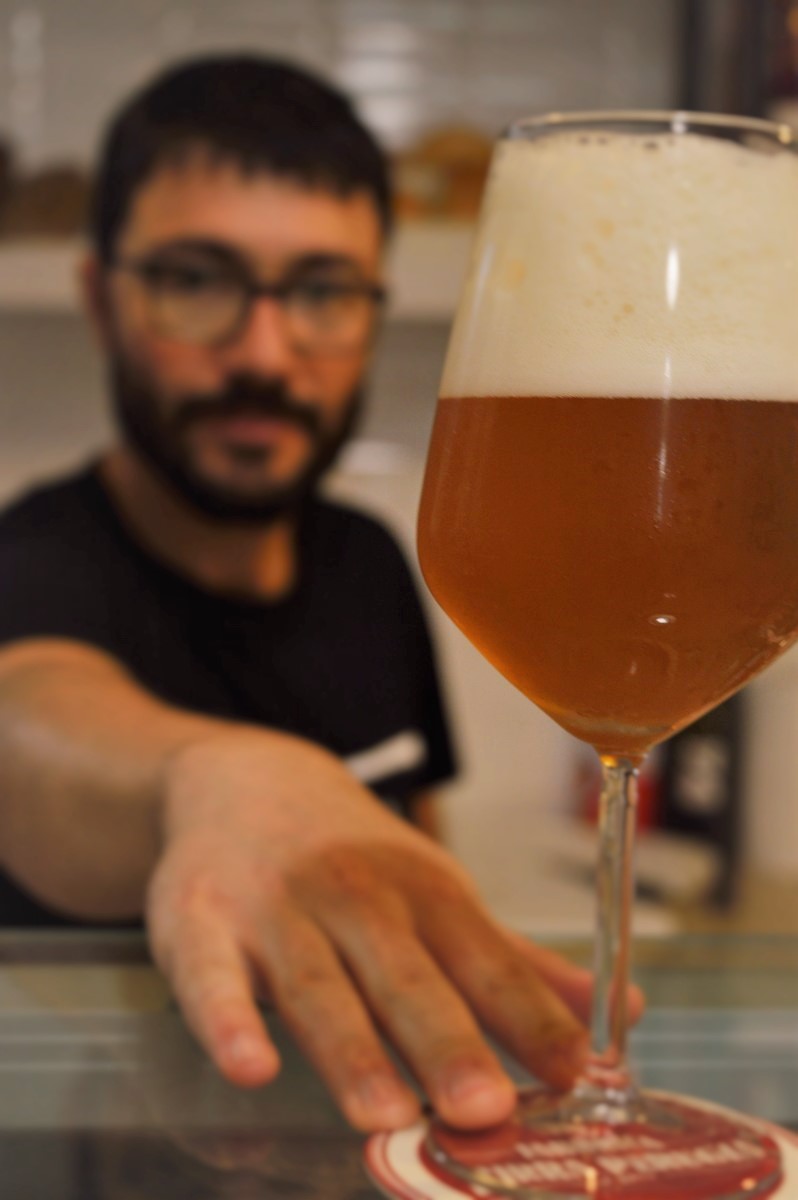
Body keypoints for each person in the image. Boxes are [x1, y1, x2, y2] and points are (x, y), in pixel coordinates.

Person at [0, 55, 631, 1133]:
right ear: (101, 300)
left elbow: (414, 869)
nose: (265, 351)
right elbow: (27, 720)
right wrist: (213, 777)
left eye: (324, 291)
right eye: (196, 281)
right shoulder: (35, 556)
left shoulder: (367, 562)